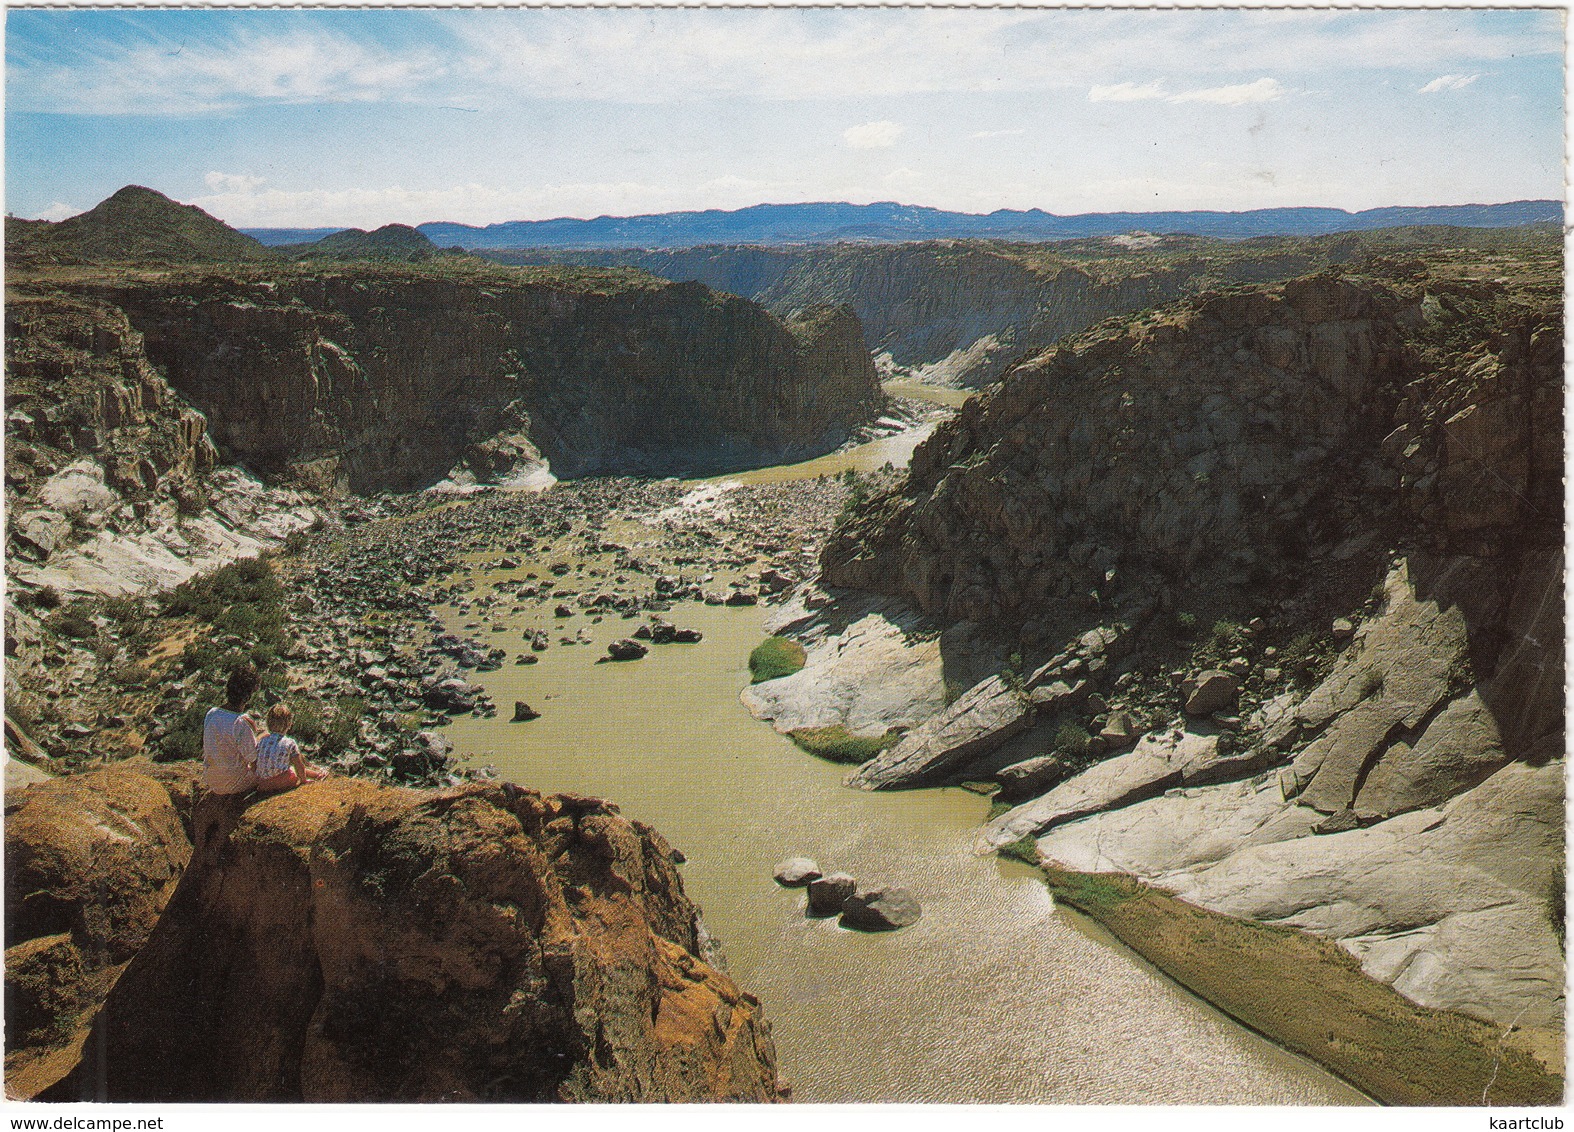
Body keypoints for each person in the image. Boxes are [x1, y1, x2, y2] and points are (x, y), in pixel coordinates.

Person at [203, 663, 261, 795]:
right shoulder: (241, 723)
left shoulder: (212, 713)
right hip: (234, 783)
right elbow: (253, 759)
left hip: (212, 780)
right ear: (249, 695)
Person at [253, 703, 327, 793]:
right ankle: (318, 775)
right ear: (289, 724)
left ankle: (317, 774)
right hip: (282, 782)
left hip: (263, 784)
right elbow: (299, 765)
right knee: (293, 769)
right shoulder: (289, 743)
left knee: (286, 768)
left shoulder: (262, 741)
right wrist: (303, 781)